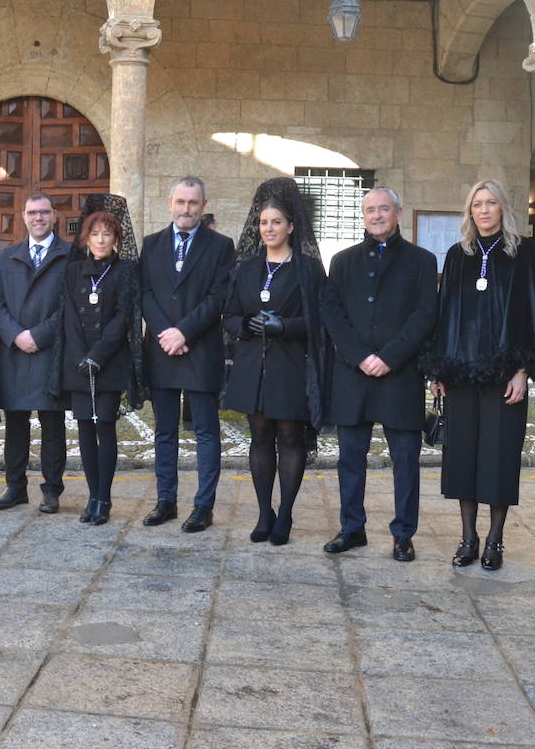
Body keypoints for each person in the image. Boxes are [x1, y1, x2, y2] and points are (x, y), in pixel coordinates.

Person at [424, 180, 535, 570]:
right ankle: (468, 538)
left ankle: (495, 541)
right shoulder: (457, 254)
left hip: (504, 377)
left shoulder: (523, 254)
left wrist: (523, 371)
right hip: (461, 376)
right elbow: (444, 316)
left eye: (490, 203)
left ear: (502, 209)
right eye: (477, 204)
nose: (483, 210)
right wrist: (439, 369)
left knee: (498, 458)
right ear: (469, 211)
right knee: (463, 456)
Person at [320, 187, 437, 561]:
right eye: (370, 210)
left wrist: (389, 357)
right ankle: (352, 528)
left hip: (399, 376)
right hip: (353, 376)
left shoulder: (421, 261)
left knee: (405, 459)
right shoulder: (342, 261)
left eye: (383, 209)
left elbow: (425, 315)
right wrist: (359, 356)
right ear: (363, 216)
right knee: (350, 457)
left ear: (398, 213)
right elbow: (332, 313)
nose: (376, 216)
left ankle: (404, 533)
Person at [222, 177, 328, 546]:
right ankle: (265, 511)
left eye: (276, 223)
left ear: (291, 227)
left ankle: (285, 514)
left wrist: (286, 326)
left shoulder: (309, 269)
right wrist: (245, 326)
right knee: (260, 437)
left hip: (290, 365)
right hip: (254, 365)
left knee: (289, 437)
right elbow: (229, 314)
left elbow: (320, 320)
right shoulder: (247, 268)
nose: (269, 229)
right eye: (264, 223)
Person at [139, 175, 235, 532]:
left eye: (193, 203)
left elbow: (218, 296)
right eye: (181, 202)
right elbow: (145, 293)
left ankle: (203, 506)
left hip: (200, 349)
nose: (186, 209)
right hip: (162, 349)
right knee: (164, 432)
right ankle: (166, 501)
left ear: (204, 206)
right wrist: (167, 333)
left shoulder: (221, 246)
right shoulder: (151, 245)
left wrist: (184, 331)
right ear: (170, 203)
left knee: (206, 433)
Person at [54, 194, 145, 525]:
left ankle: (104, 498)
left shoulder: (125, 270)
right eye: (96, 234)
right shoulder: (74, 269)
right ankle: (91, 496)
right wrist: (81, 355)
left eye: (108, 234)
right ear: (86, 238)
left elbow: (124, 316)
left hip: (108, 363)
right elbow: (69, 316)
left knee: (104, 428)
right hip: (78, 364)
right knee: (84, 429)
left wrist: (98, 356)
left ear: (116, 238)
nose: (102, 240)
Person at [0, 193, 71, 513]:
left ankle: (52, 490)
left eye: (44, 212)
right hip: (14, 352)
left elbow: (69, 306)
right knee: (16, 423)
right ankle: (15, 487)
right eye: (32, 212)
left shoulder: (70, 256)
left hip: (51, 352)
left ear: (54, 216)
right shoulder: (7, 256)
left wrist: (38, 335)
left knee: (53, 425)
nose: (38, 218)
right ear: (23, 217)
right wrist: (15, 335)